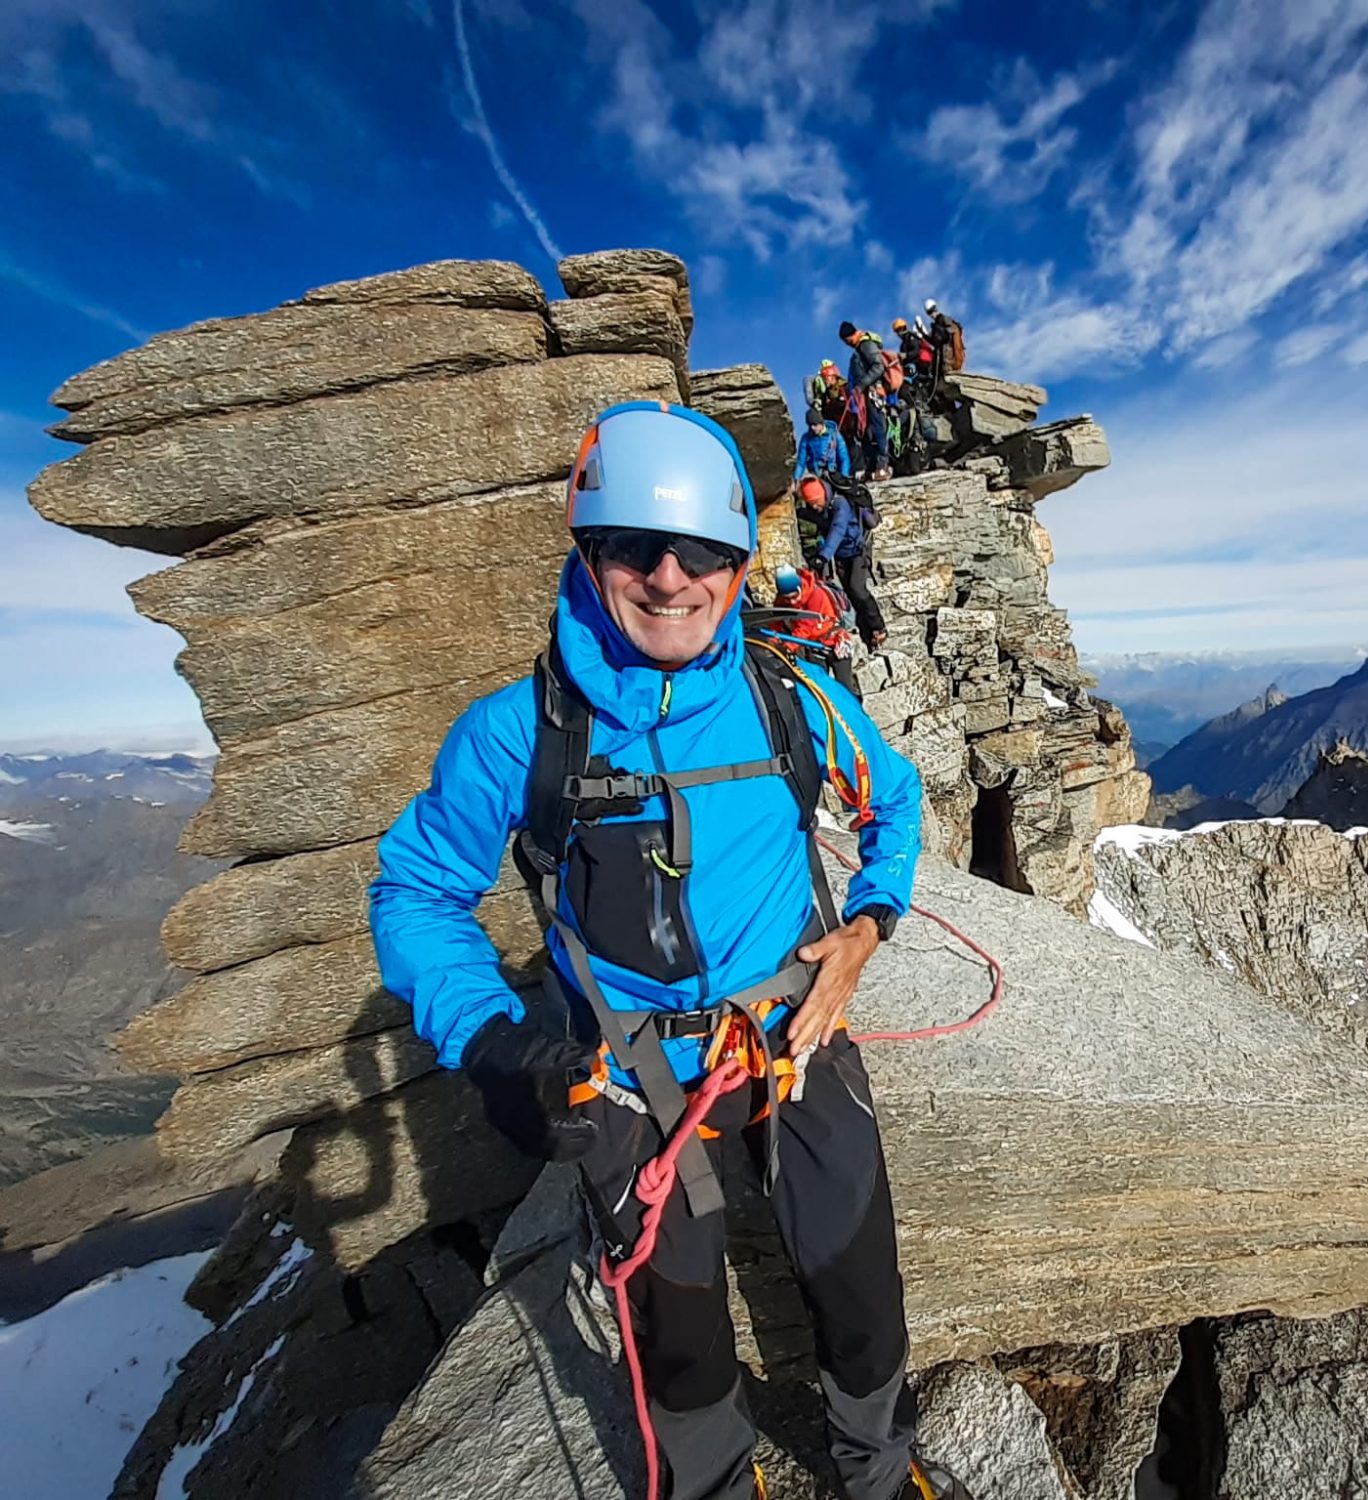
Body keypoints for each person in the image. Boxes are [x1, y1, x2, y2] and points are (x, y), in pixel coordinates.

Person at [369, 403, 967, 1500]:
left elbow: (897, 802)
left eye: (702, 552)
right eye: (631, 548)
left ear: (739, 567)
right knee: (676, 1331)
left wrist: (865, 930)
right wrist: (494, 1043)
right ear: (587, 554)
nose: (668, 577)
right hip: (625, 1067)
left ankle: (878, 1475)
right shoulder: (519, 733)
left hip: (792, 1029)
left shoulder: (787, 701)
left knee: (858, 1282)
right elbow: (417, 892)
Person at [798, 471, 886, 648]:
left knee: (858, 589)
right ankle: (866, 635)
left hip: (857, 551)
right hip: (841, 554)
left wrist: (823, 556)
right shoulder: (822, 507)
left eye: (816, 503)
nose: (814, 508)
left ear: (823, 494)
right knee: (850, 594)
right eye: (811, 504)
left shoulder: (841, 504)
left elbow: (837, 530)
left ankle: (879, 627)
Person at [772, 562, 858, 693]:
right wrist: (772, 641)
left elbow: (806, 627)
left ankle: (854, 709)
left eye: (794, 597)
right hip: (814, 647)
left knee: (845, 687)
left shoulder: (816, 595)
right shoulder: (781, 600)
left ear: (799, 587)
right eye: (786, 599)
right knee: (819, 687)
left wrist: (787, 647)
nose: (791, 602)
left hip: (835, 643)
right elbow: (775, 621)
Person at [839, 320, 892, 482]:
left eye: (847, 341)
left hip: (874, 393)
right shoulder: (860, 347)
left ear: (851, 335)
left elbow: (878, 366)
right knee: (867, 431)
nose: (847, 344)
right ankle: (872, 466)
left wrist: (861, 385)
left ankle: (883, 466)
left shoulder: (866, 345)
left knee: (878, 428)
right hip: (866, 394)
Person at [795, 407, 850, 484]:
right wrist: (796, 478)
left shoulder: (834, 435)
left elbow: (844, 458)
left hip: (833, 475)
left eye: (815, 424)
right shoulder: (806, 438)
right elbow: (801, 462)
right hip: (815, 476)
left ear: (821, 423)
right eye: (810, 425)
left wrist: (844, 476)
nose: (812, 428)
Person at [807, 359, 847, 425]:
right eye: (824, 378)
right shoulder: (826, 391)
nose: (826, 381)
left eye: (826, 378)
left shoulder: (843, 386)